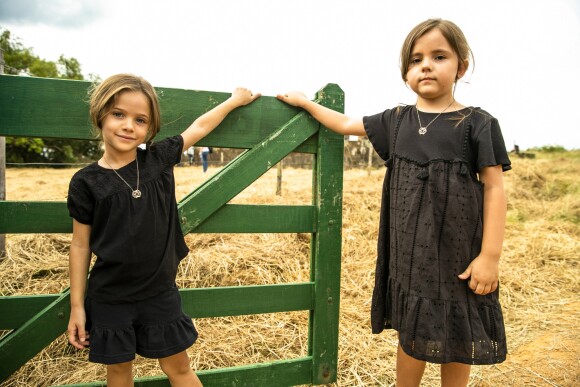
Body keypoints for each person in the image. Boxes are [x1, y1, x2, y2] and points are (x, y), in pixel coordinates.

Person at [277, 18, 510, 387]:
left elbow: (495, 188)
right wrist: (306, 103)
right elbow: (344, 123)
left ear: (461, 67)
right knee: (411, 327)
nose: (426, 66)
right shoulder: (397, 121)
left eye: (439, 56)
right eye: (416, 60)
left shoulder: (476, 124)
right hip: (409, 253)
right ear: (406, 74)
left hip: (458, 253)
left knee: (457, 328)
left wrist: (489, 256)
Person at [67, 73, 259, 386]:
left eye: (140, 120)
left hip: (159, 291)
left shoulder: (157, 159)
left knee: (179, 367)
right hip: (110, 297)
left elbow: (199, 126)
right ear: (100, 114)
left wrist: (234, 101)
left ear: (150, 128)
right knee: (118, 372)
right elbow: (80, 244)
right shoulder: (86, 182)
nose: (129, 125)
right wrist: (77, 306)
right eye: (118, 114)